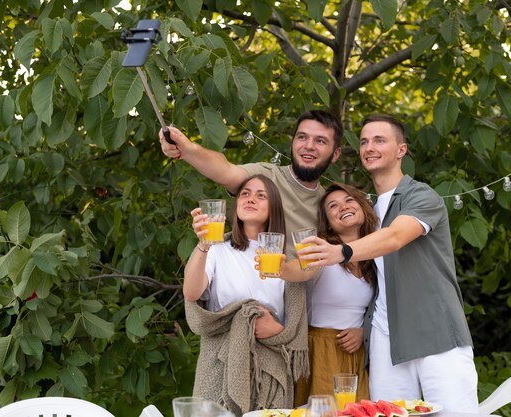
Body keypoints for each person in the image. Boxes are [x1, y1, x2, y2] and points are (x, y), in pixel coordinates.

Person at [297, 114, 479, 412]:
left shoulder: (420, 195)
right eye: (365, 141)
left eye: (379, 140)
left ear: (401, 150)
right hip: (386, 341)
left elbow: (395, 237)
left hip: (435, 333)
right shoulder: (370, 214)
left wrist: (341, 252)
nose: (369, 147)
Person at [183, 174, 309, 416]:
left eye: (261, 195)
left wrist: (277, 331)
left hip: (270, 366)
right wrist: (203, 245)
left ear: (274, 208)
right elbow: (191, 292)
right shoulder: (216, 249)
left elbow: (294, 323)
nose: (251, 199)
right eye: (245, 194)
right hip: (220, 360)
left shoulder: (285, 262)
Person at [160, 110, 343, 258]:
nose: (309, 146)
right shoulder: (267, 176)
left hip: (300, 299)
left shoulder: (330, 205)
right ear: (293, 143)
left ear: (335, 154)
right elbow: (225, 171)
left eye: (320, 141)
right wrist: (187, 149)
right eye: (302, 137)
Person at [279, 183, 376, 406]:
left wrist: (363, 332)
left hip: (357, 351)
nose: (343, 207)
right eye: (333, 206)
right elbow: (302, 269)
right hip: (321, 348)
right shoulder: (322, 251)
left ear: (362, 207)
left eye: (349, 200)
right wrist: (282, 269)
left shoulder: (375, 255)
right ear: (329, 224)